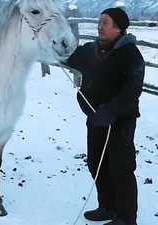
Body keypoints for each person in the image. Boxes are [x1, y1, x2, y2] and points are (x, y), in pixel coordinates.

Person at [61, 7, 145, 225]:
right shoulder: (92, 50)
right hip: (96, 119)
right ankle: (107, 206)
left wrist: (112, 109)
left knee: (121, 167)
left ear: (118, 28)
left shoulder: (130, 54)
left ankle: (126, 218)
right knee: (96, 163)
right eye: (99, 22)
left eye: (105, 22)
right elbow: (70, 57)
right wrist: (54, 48)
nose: (100, 26)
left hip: (121, 120)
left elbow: (134, 87)